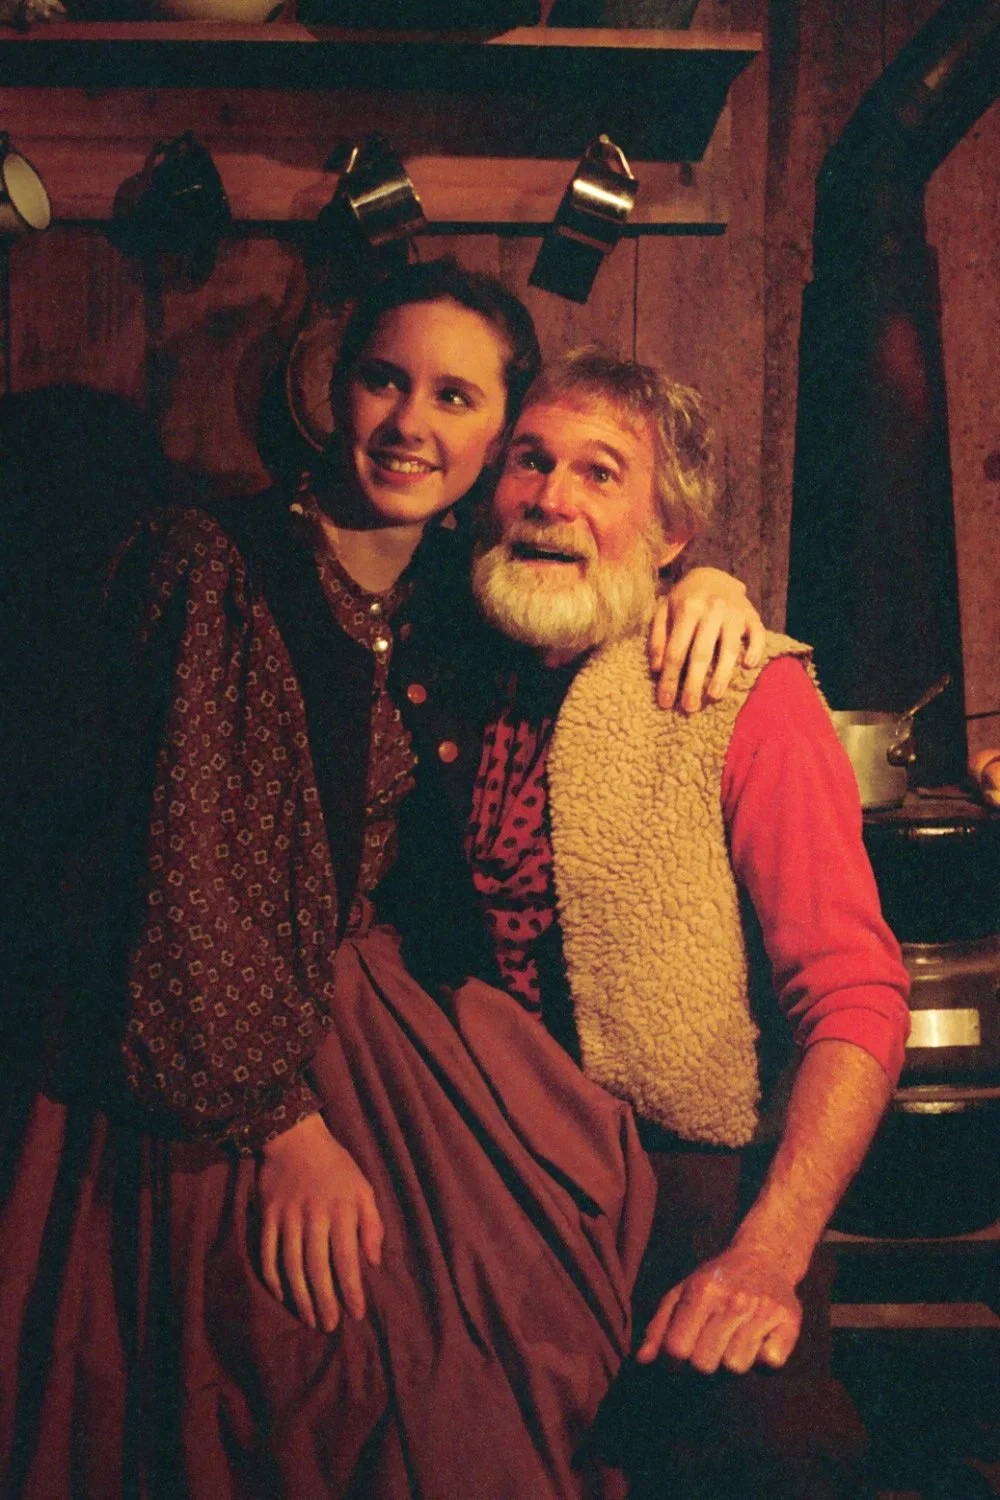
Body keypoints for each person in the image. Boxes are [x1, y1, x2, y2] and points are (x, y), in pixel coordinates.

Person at [0, 260, 764, 1499]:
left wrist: (706, 582)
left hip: (391, 1009)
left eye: (457, 399)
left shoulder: (468, 592)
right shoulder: (211, 566)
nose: (412, 422)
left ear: (498, 435)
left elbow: (607, 585)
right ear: (337, 390)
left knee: (507, 1304)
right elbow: (171, 868)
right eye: (385, 381)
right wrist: (283, 1131)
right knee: (304, 1363)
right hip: (200, 1038)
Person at [406, 346, 909, 1498]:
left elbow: (857, 997)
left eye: (599, 473)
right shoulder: (438, 668)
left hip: (689, 1196)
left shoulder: (745, 692)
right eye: (529, 462)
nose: (550, 498)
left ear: (670, 530)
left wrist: (766, 1257)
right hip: (474, 1180)